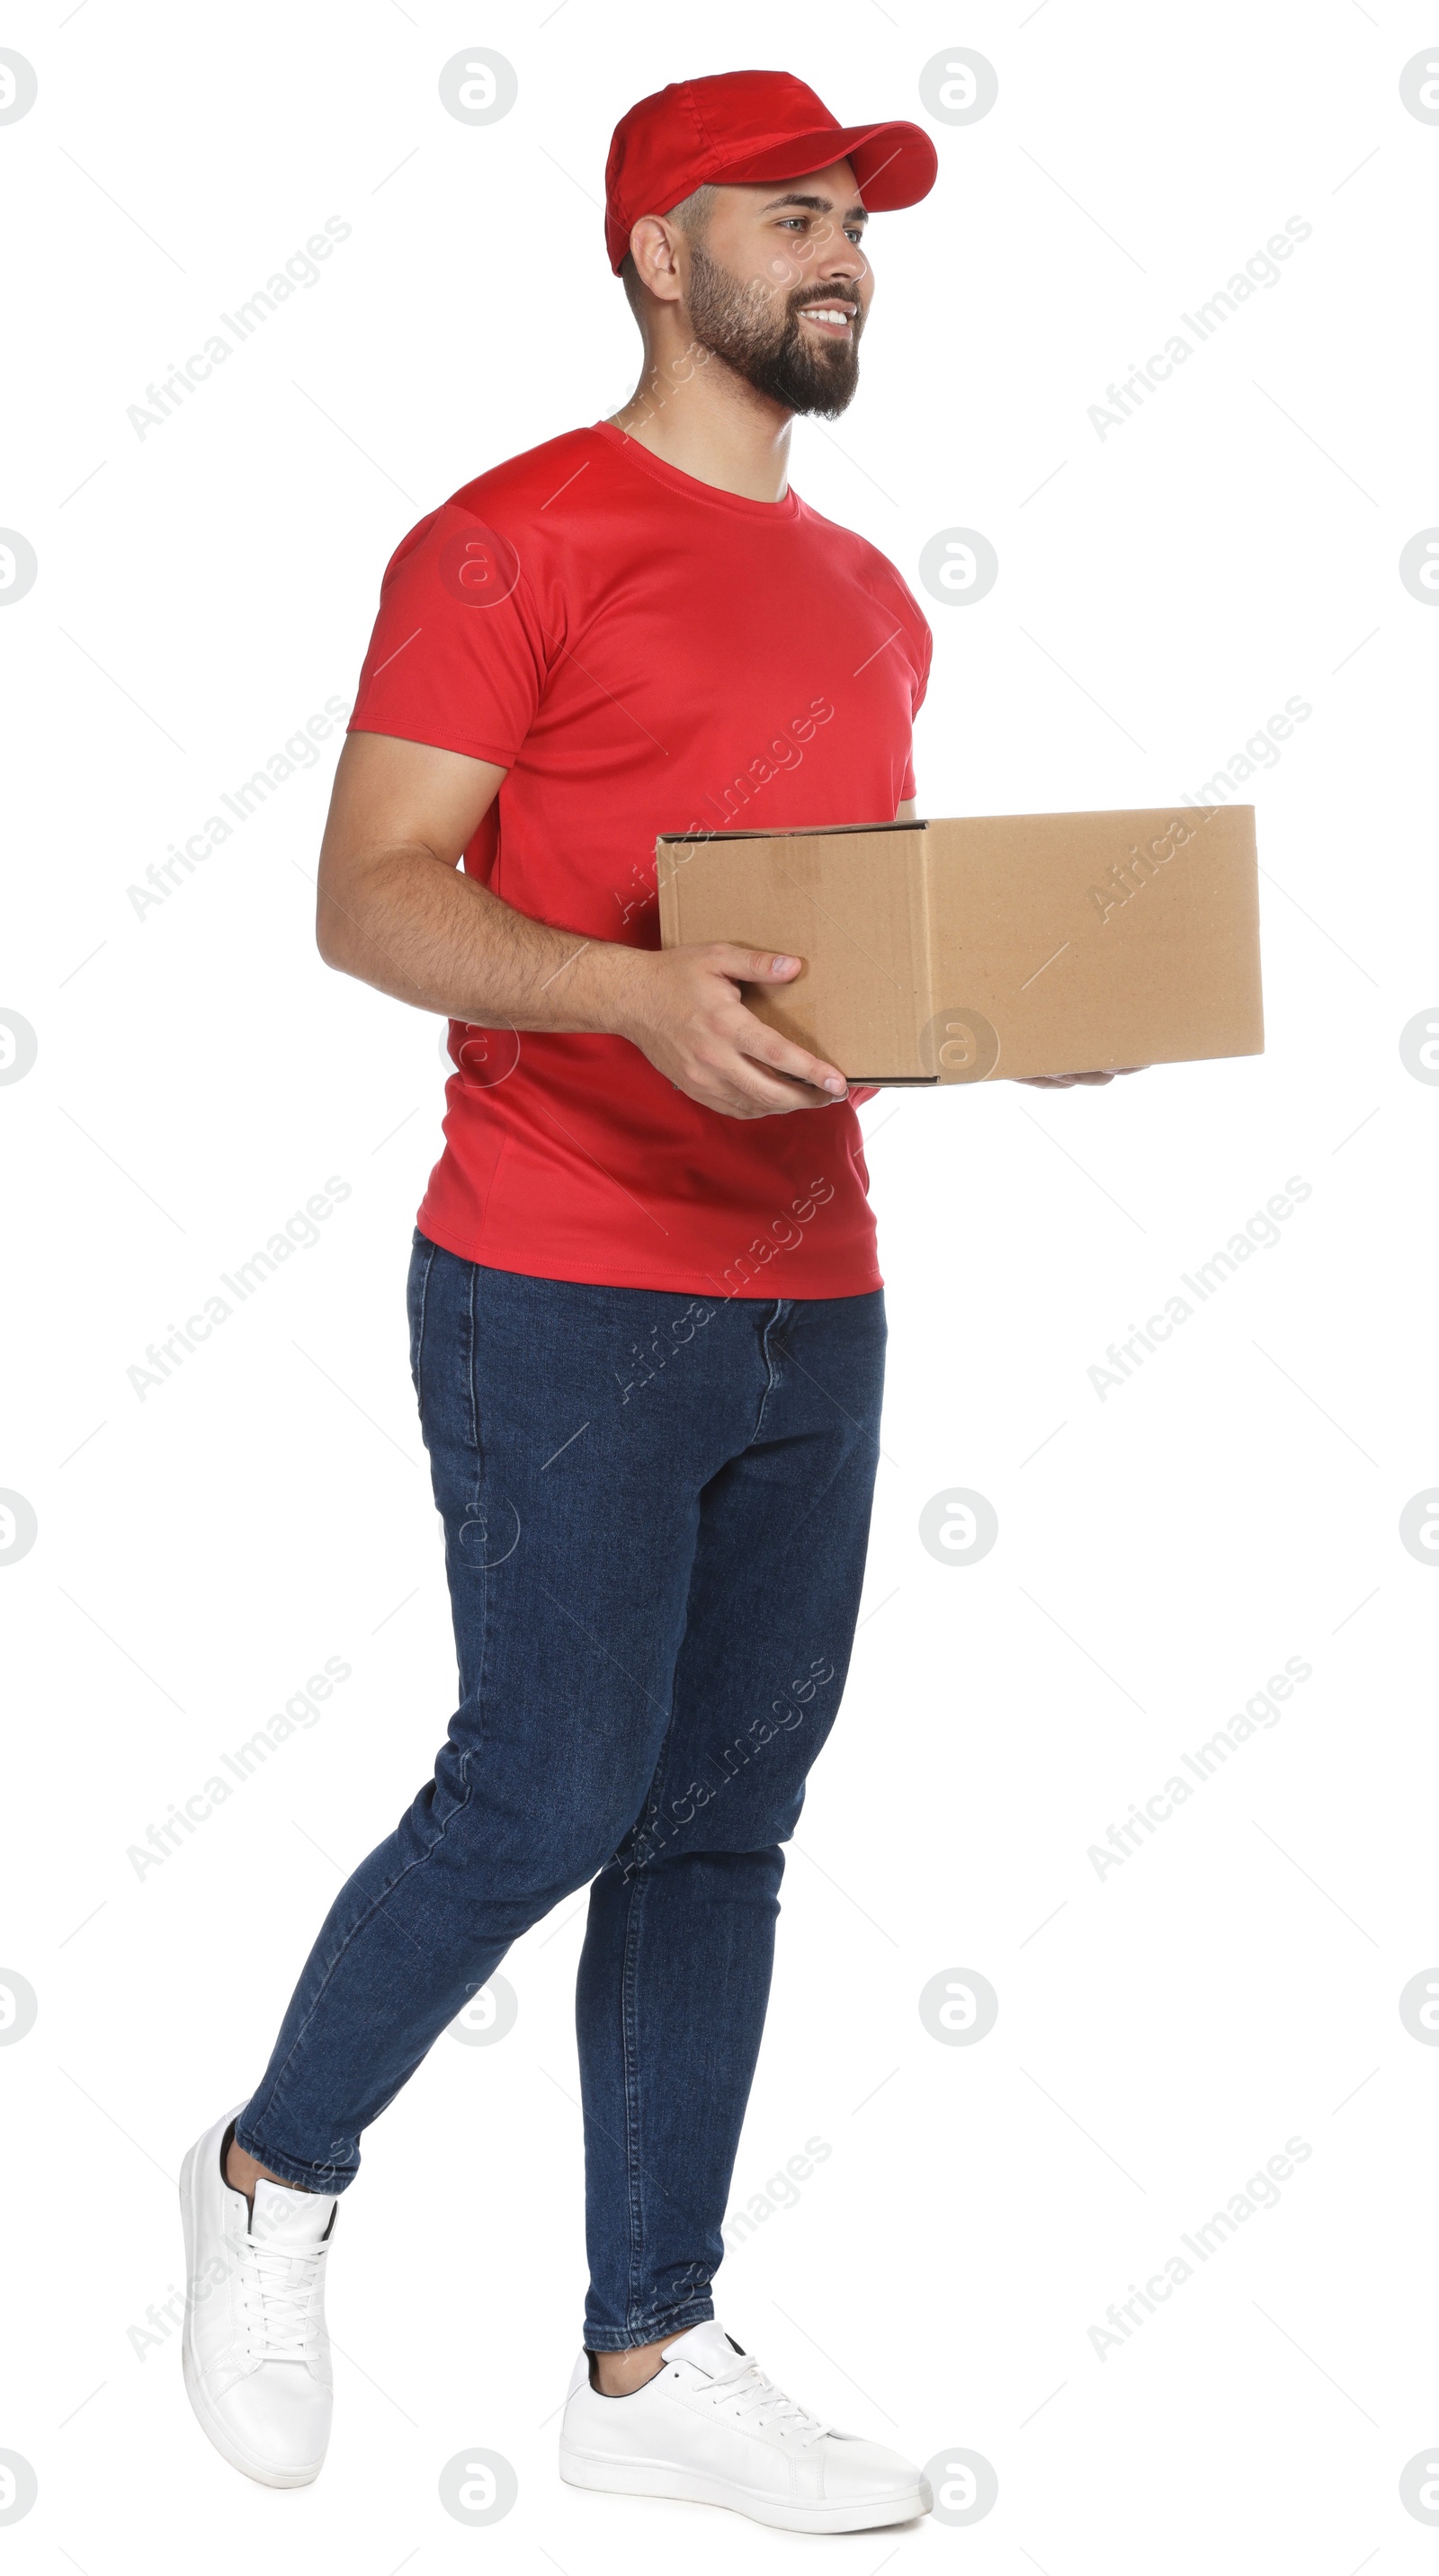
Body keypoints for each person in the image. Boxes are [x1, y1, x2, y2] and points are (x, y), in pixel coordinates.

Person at [178, 65, 1124, 2522]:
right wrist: (620, 998)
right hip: (562, 1279)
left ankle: (647, 2357)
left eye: (857, 224)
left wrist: (999, 1016)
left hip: (824, 1291)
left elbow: (844, 954)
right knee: (549, 1779)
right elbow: (372, 889)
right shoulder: (508, 544)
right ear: (654, 248)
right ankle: (276, 2176)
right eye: (794, 216)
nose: (844, 256)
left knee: (720, 1820)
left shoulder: (872, 592)